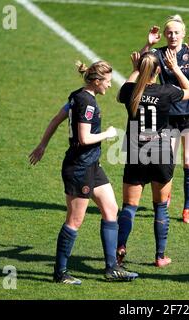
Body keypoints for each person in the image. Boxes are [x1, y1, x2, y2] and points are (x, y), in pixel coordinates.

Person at [30, 60, 138, 284]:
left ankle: (111, 268)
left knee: (111, 209)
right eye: (107, 82)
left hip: (91, 165)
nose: (109, 86)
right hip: (80, 168)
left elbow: (56, 120)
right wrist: (107, 134)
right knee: (74, 220)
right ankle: (60, 273)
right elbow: (84, 138)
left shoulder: (76, 95)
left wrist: (42, 145)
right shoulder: (87, 103)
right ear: (97, 81)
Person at [116, 50, 189, 267]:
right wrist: (176, 68)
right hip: (160, 152)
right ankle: (160, 257)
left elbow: (119, 93)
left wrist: (134, 70)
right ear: (159, 70)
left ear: (141, 69)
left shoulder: (131, 91)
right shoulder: (167, 91)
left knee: (129, 206)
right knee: (160, 206)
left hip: (135, 153)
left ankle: (120, 248)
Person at [140, 15, 189, 224]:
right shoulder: (158, 53)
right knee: (169, 161)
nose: (173, 36)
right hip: (168, 114)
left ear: (183, 34)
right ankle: (165, 200)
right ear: (164, 35)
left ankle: (188, 209)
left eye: (176, 32)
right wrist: (148, 43)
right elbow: (140, 64)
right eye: (169, 33)